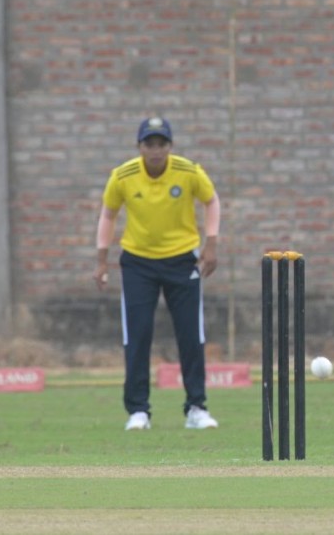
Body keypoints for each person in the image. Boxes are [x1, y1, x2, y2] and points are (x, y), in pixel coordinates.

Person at [93, 117, 221, 431]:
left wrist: (212, 244)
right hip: (138, 263)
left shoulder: (189, 171)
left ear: (169, 146)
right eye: (149, 144)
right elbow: (108, 214)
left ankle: (196, 408)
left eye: (161, 144)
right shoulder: (123, 176)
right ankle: (138, 411)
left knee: (191, 335)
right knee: (137, 336)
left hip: (182, 260)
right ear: (139, 147)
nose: (155, 150)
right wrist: (101, 260)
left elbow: (211, 200)